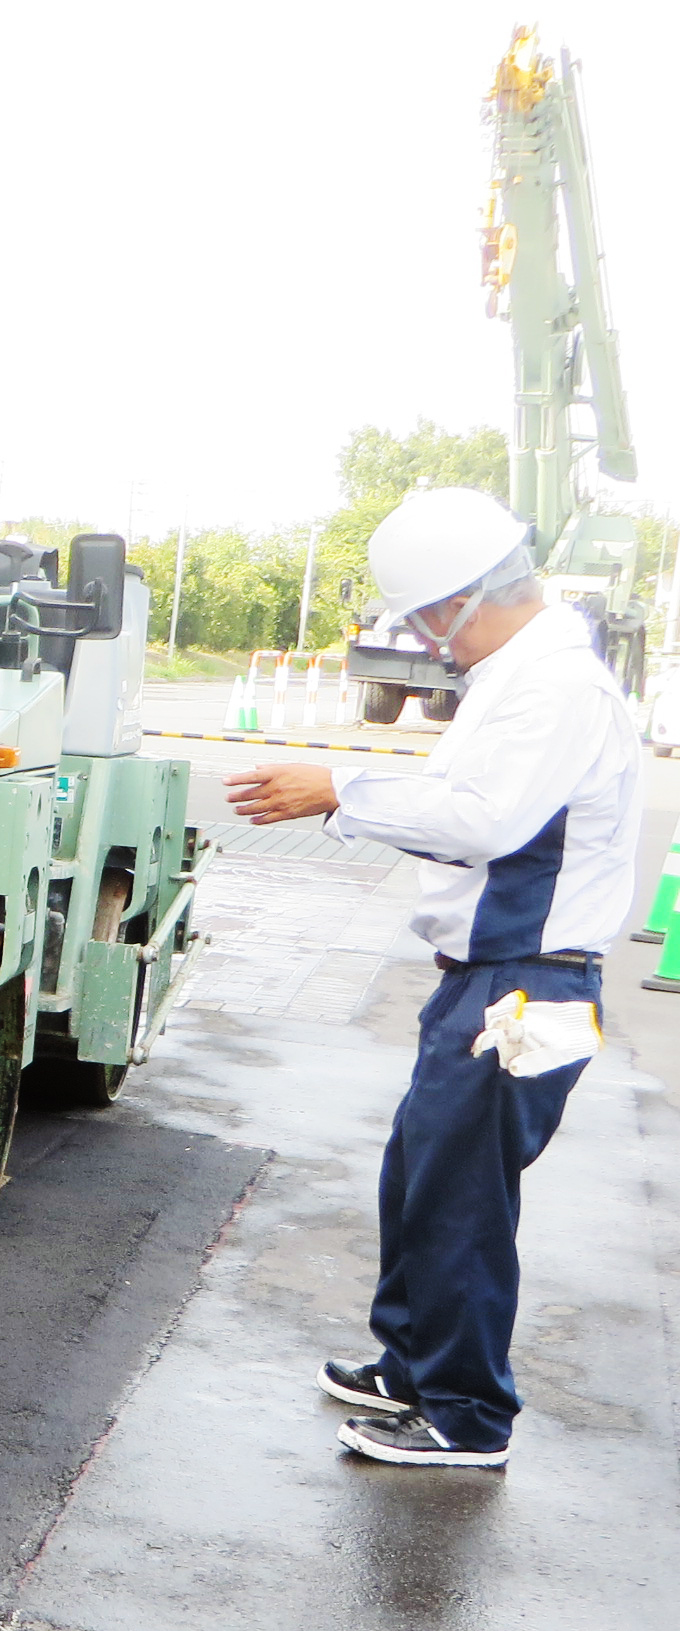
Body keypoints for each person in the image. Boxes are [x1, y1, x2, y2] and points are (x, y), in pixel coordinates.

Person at [225, 487, 641, 1469]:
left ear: (461, 600)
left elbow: (482, 818)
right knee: (419, 1172)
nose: (417, 638)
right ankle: (411, 1364)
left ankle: (463, 1412)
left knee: (459, 1192)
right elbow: (466, 801)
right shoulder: (519, 677)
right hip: (494, 980)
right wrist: (350, 794)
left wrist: (339, 791)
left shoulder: (554, 688)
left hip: (530, 987)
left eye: (418, 617)